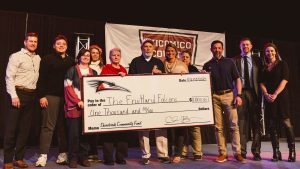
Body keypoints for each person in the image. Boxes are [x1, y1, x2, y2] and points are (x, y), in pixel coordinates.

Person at [202, 40, 246, 163]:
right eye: (215, 48)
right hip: (214, 97)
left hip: (229, 95)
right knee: (218, 127)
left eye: (219, 48)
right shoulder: (207, 65)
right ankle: (222, 153)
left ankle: (237, 153)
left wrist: (239, 95)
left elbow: (237, 79)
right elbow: (205, 84)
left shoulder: (230, 62)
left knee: (234, 126)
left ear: (222, 49)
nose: (217, 50)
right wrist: (203, 77)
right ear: (211, 50)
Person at [35, 35, 75, 167]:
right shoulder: (47, 59)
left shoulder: (71, 61)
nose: (61, 45)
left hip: (67, 98)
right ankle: (43, 155)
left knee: (63, 127)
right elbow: (41, 79)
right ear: (54, 46)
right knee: (47, 127)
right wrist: (42, 96)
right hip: (50, 97)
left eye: (64, 43)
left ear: (67, 46)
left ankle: (63, 154)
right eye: (58, 43)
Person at [128, 39, 170, 165]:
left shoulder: (158, 62)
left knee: (160, 126)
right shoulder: (135, 61)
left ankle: (163, 154)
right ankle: (145, 154)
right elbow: (131, 79)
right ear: (142, 48)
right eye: (145, 46)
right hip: (141, 98)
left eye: (150, 46)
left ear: (153, 49)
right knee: (144, 127)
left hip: (157, 98)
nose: (147, 48)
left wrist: (160, 73)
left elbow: (164, 81)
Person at [4, 32, 40, 169]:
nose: (33, 43)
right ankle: (7, 160)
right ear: (25, 42)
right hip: (18, 94)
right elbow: (9, 77)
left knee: (24, 130)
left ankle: (19, 158)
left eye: (35, 41)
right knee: (12, 129)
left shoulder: (38, 58)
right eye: (30, 41)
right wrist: (13, 95)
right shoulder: (16, 56)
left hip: (31, 96)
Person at [259, 43, 296, 162]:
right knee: (272, 125)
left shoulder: (282, 64)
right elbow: (261, 83)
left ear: (275, 52)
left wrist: (275, 94)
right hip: (269, 98)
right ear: (264, 53)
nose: (269, 53)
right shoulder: (263, 67)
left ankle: (292, 151)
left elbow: (284, 80)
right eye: (267, 51)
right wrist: (266, 94)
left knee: (286, 123)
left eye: (271, 51)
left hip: (281, 97)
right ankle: (276, 151)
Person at [64, 49, 97, 168]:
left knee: (85, 134)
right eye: (84, 55)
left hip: (88, 108)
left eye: (88, 55)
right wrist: (78, 101)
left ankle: (83, 157)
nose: (86, 57)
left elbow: (97, 89)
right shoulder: (72, 70)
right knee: (74, 134)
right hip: (74, 107)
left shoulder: (93, 72)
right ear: (79, 57)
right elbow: (68, 88)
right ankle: (73, 158)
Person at [232, 38, 263, 160]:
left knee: (256, 124)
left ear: (251, 46)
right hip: (241, 93)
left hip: (254, 93)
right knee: (242, 123)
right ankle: (242, 151)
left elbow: (262, 77)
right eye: (243, 45)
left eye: (247, 44)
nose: (245, 46)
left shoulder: (258, 60)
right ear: (240, 47)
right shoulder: (234, 60)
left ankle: (256, 151)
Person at [100, 48, 128, 165]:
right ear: (110, 57)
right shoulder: (106, 68)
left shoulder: (123, 69)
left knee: (122, 132)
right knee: (109, 132)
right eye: (113, 55)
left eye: (118, 55)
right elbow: (102, 83)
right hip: (109, 103)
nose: (116, 57)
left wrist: (124, 76)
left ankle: (120, 157)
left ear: (120, 57)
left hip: (122, 104)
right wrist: (116, 76)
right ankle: (109, 158)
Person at [164, 44, 189, 164]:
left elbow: (187, 81)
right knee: (168, 128)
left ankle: (178, 153)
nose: (170, 52)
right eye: (168, 51)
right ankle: (168, 153)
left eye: (172, 50)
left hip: (180, 98)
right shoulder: (161, 63)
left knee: (180, 127)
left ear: (176, 52)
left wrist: (185, 75)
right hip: (166, 99)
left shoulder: (182, 64)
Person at [180, 50, 203, 161]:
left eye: (187, 57)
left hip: (193, 102)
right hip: (180, 101)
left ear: (190, 59)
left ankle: (197, 152)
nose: (185, 59)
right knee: (183, 128)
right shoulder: (177, 69)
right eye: (183, 57)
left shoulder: (194, 70)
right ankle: (183, 152)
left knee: (195, 128)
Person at [87, 44, 104, 162]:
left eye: (97, 53)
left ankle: (94, 152)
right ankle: (86, 152)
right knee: (87, 127)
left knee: (96, 128)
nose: (95, 55)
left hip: (100, 98)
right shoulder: (84, 65)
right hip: (87, 99)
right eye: (92, 52)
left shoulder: (104, 67)